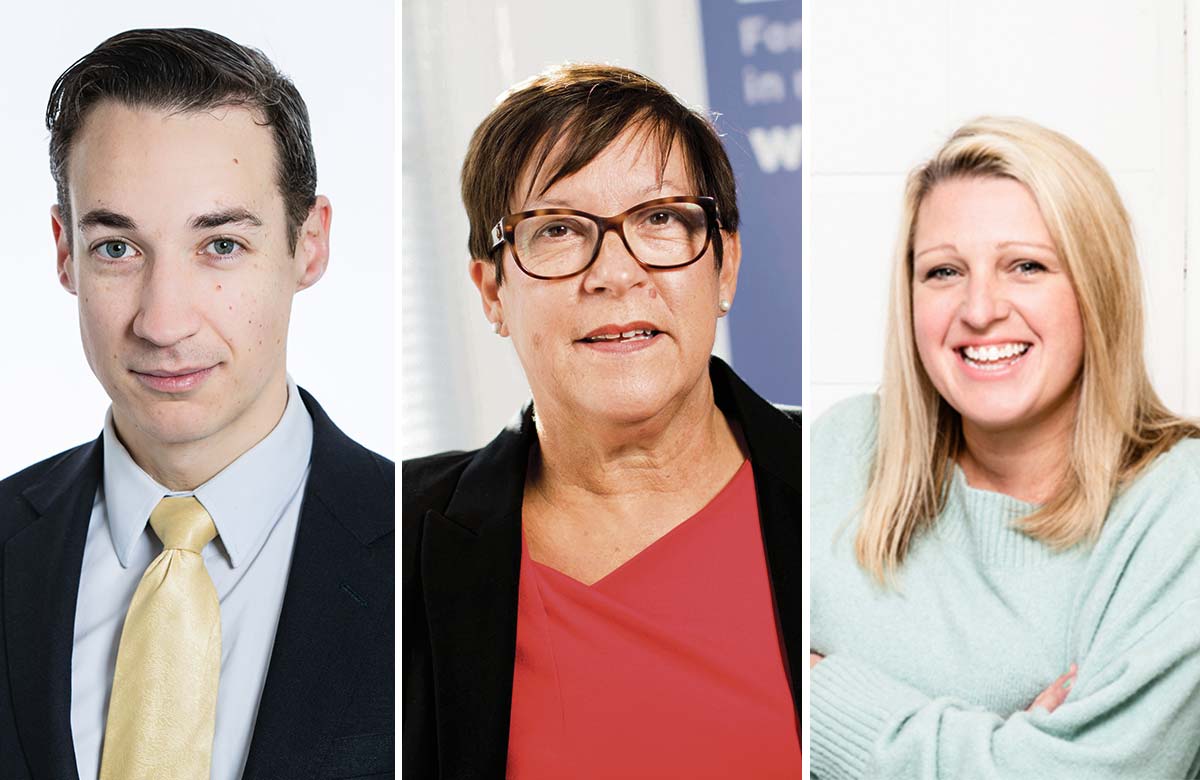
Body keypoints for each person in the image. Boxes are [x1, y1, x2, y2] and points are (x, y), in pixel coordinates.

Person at [0, 29, 393, 779]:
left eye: (219, 246)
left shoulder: (424, 555)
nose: (163, 321)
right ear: (63, 252)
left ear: (308, 245)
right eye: (118, 247)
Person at [403, 63, 803, 778]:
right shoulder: (392, 540)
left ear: (726, 264)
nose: (615, 273)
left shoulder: (851, 482)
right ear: (492, 289)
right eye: (557, 229)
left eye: (660, 219)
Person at [809, 116, 1200, 778]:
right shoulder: (839, 450)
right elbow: (713, 676)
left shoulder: (1178, 508)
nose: (980, 308)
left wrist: (811, 697)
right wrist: (996, 750)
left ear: (1096, 287)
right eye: (943, 272)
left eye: (1026, 265)